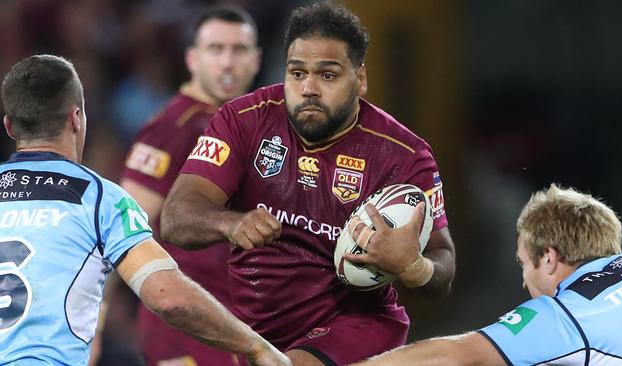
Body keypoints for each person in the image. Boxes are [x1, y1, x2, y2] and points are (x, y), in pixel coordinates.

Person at [160, 2, 456, 365]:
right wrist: (231, 222)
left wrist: (412, 266)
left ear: (360, 79)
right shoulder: (242, 121)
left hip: (355, 323)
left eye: (327, 75)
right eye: (297, 73)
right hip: (255, 328)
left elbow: (443, 264)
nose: (309, 88)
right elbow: (175, 217)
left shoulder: (405, 155)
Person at [0, 55, 289, 366]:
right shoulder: (100, 199)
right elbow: (170, 298)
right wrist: (256, 347)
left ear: (9, 126)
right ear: (77, 118)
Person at [351, 184, 622, 365]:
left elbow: (455, 356)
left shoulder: (565, 315)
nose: (523, 281)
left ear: (548, 258)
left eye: (522, 263)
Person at [119, 4, 260, 365]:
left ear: (256, 60)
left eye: (239, 50)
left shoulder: (242, 125)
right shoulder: (175, 125)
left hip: (229, 321)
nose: (228, 62)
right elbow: (122, 227)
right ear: (192, 59)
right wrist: (101, 315)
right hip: (183, 326)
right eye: (216, 49)